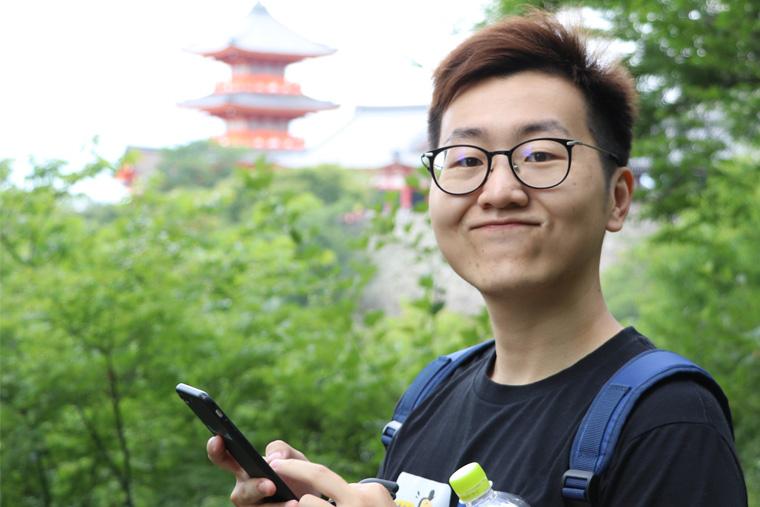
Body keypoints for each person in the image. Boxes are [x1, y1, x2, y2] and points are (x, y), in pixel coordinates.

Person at [207, 10, 748, 507]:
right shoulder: (431, 394)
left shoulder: (668, 422)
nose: (499, 190)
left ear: (618, 197)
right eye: (466, 159)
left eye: (539, 155)